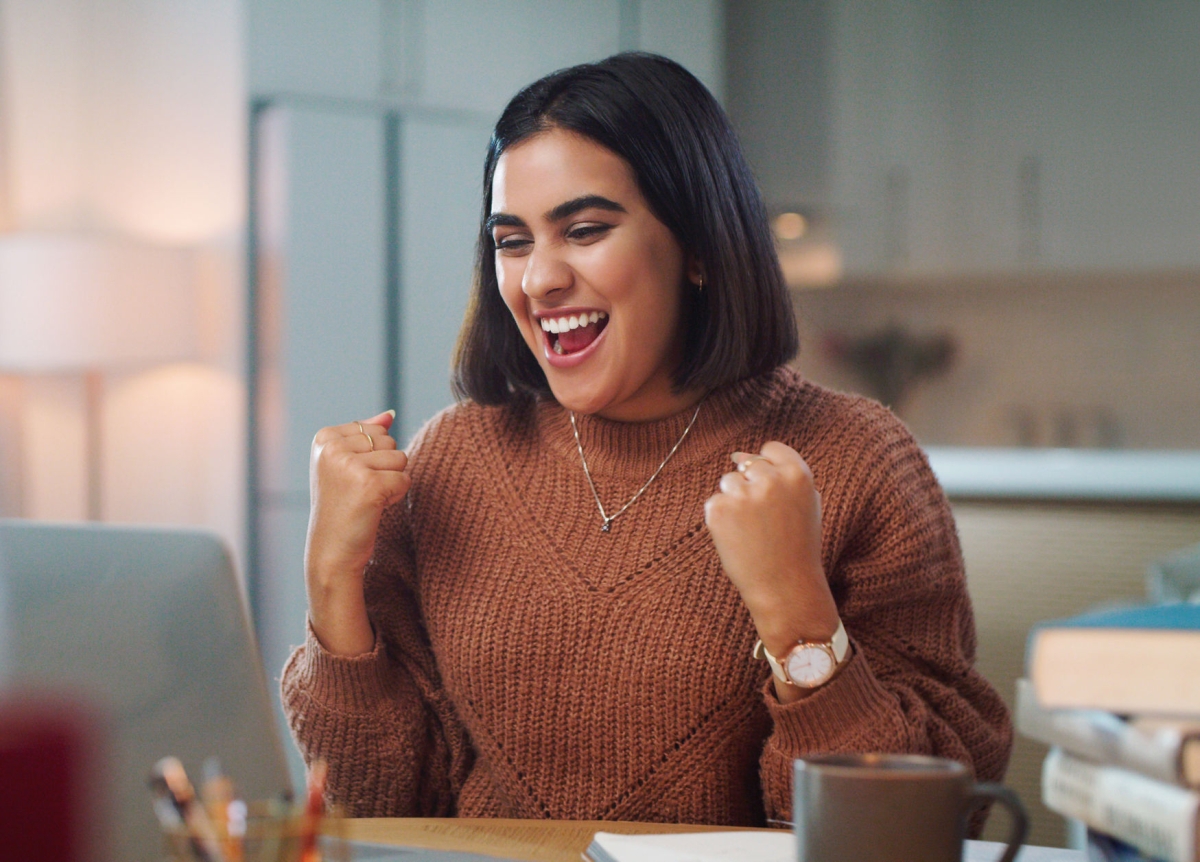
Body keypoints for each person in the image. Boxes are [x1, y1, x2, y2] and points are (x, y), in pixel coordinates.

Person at [282, 52, 1011, 827]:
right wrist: (332, 579)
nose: (538, 281)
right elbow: (379, 807)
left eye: (585, 229)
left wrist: (797, 612)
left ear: (697, 245)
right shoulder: (452, 459)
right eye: (512, 240)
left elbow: (923, 826)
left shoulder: (858, 458)